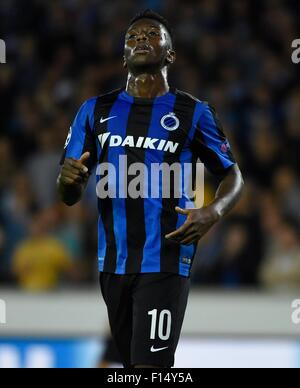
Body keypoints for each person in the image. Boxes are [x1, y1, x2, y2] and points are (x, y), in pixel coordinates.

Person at [57, 9, 244, 368]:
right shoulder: (94, 111)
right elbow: (68, 193)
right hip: (112, 261)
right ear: (123, 55)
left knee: (150, 368)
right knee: (129, 367)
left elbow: (233, 175)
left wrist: (214, 211)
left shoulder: (193, 112)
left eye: (150, 35)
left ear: (170, 54)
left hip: (167, 257)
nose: (140, 40)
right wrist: (67, 183)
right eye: (132, 37)